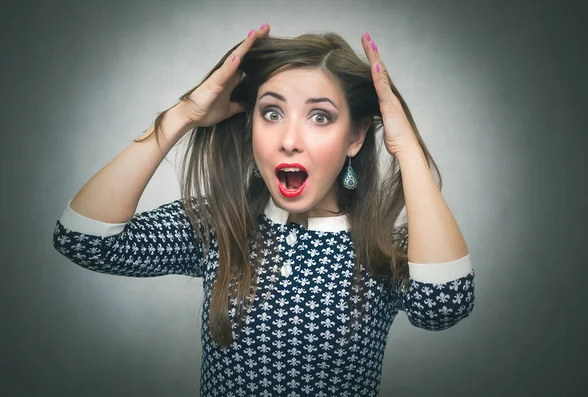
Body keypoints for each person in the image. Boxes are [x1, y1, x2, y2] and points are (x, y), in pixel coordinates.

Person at [52, 23, 475, 397]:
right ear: (251, 123)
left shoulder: (383, 247)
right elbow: (83, 241)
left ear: (355, 136)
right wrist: (183, 114)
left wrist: (406, 148)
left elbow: (444, 305)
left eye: (320, 117)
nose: (289, 139)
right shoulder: (223, 224)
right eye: (272, 112)